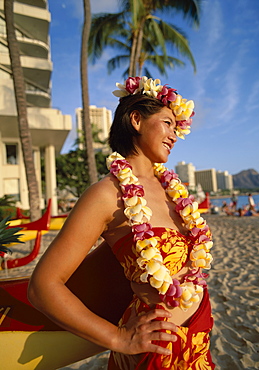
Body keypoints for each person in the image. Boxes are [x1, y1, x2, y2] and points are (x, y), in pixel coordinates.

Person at [28, 76, 215, 369]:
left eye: (177, 128)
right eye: (168, 123)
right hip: (154, 352)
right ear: (137, 120)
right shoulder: (107, 194)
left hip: (199, 341)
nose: (174, 135)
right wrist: (118, 338)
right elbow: (43, 286)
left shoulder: (173, 190)